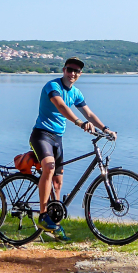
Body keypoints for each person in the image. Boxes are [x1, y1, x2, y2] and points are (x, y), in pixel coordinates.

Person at [30, 57, 116, 240]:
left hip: (57, 138)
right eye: (70, 70)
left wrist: (105, 129)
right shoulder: (52, 86)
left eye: (76, 71)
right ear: (64, 70)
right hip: (41, 135)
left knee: (58, 182)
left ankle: (55, 225)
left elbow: (89, 113)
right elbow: (60, 106)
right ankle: (43, 215)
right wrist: (78, 122)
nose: (72, 74)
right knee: (49, 168)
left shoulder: (76, 93)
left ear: (80, 74)